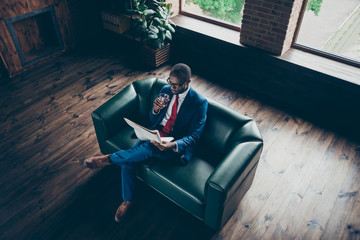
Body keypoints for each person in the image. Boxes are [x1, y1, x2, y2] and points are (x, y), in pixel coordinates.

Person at [84, 63, 208, 222]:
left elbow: (194, 136)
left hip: (174, 143)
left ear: (188, 83)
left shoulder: (199, 103)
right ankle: (127, 200)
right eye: (170, 82)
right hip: (155, 134)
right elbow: (154, 120)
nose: (172, 88)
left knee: (146, 150)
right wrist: (155, 110)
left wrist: (171, 145)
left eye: (176, 85)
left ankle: (107, 159)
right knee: (129, 160)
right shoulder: (165, 90)